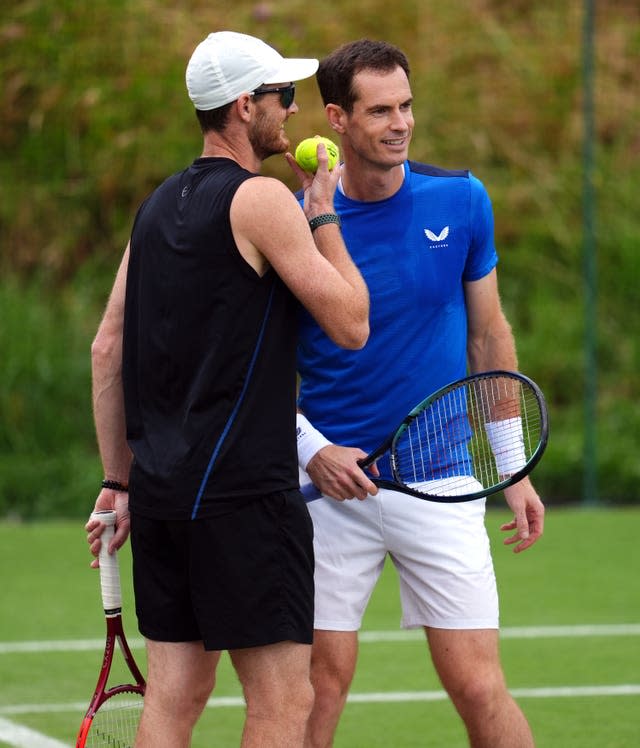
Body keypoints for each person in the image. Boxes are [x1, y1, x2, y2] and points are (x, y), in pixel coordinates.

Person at [85, 30, 370, 748]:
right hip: (245, 499)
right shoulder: (263, 200)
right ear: (245, 107)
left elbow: (106, 348)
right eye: (285, 98)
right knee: (283, 701)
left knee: (175, 697)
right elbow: (351, 322)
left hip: (162, 497)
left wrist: (117, 483)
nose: (294, 113)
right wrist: (323, 209)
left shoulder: (153, 210)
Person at [295, 39, 545, 748]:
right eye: (379, 111)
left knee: (477, 684)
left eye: (406, 105)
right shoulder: (291, 217)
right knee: (317, 687)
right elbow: (252, 367)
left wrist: (512, 465)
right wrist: (311, 449)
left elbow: (488, 337)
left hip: (442, 479)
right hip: (329, 492)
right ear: (336, 120)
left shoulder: (461, 199)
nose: (400, 123)